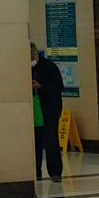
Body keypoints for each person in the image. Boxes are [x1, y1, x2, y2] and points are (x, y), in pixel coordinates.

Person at [31, 44, 64, 182]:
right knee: (35, 143)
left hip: (49, 109)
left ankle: (55, 172)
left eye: (32, 56)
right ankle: (36, 171)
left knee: (51, 141)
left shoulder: (49, 67)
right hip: (34, 111)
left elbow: (59, 87)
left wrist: (41, 86)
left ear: (36, 53)